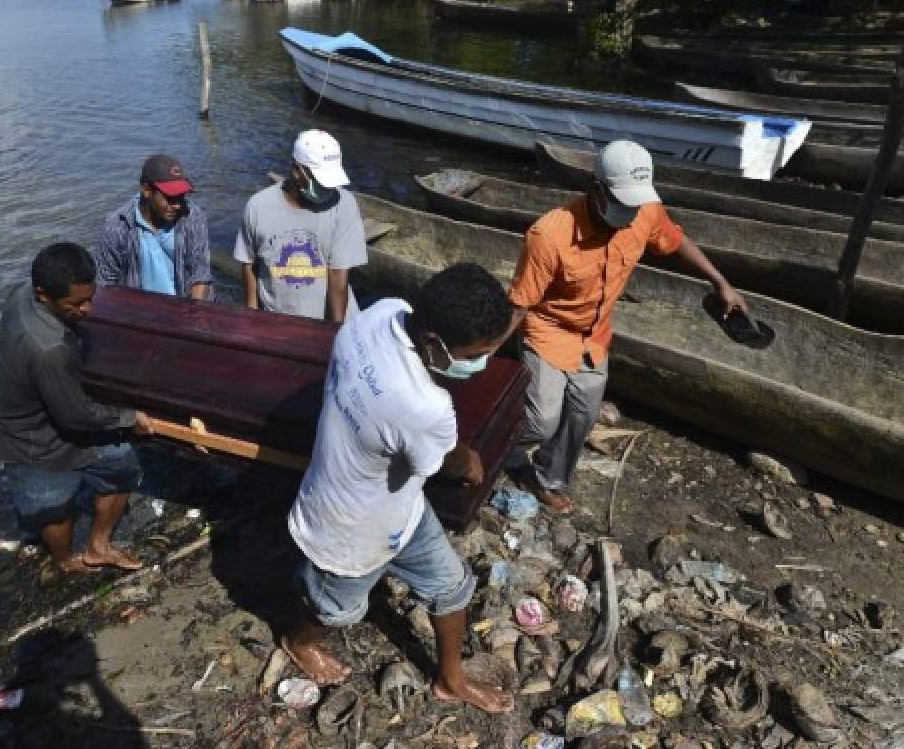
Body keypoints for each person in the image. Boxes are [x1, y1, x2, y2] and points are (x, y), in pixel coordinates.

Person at [282, 263, 515, 714]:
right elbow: (451, 463)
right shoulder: (423, 405)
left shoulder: (383, 313)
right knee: (335, 610)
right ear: (432, 342)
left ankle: (450, 678)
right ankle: (297, 641)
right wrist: (470, 463)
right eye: (475, 355)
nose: (480, 363)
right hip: (350, 528)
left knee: (452, 588)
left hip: (399, 508)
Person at [506, 139, 748, 513]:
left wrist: (720, 282)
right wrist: (480, 353)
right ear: (597, 190)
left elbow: (677, 241)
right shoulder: (550, 235)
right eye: (622, 204)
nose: (631, 213)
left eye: (636, 204)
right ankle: (490, 443)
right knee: (541, 421)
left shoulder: (645, 211)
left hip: (595, 335)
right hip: (549, 331)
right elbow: (520, 303)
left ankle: (547, 478)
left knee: (582, 415)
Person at [0, 242, 153, 574]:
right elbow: (77, 415)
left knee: (123, 467)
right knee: (53, 509)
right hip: (33, 442)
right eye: (76, 304)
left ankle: (98, 547)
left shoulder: (20, 294)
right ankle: (64, 561)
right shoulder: (50, 350)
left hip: (54, 414)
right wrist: (129, 417)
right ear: (43, 295)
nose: (87, 309)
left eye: (90, 298)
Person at [233, 129, 367, 322]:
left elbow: (338, 276)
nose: (328, 189)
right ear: (297, 171)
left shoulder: (344, 205)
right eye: (321, 182)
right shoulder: (258, 207)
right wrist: (252, 315)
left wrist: (335, 332)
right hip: (277, 321)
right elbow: (249, 264)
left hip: (328, 320)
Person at [96, 154, 212, 299]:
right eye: (170, 198)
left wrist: (193, 314)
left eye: (181, 197)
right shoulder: (115, 227)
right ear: (147, 190)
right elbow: (106, 284)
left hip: (188, 308)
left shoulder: (192, 216)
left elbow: (199, 274)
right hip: (141, 312)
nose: (177, 205)